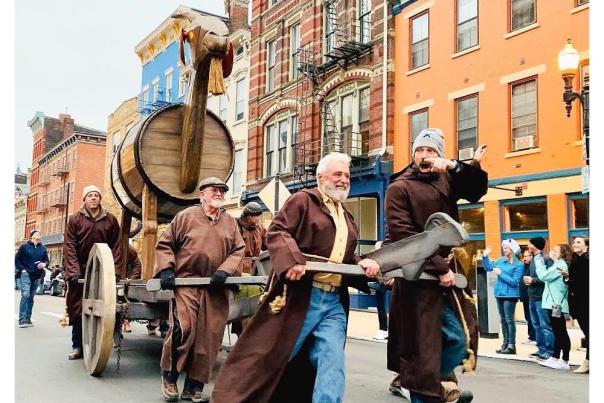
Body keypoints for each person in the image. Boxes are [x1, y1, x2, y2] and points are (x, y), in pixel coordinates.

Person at [211, 152, 380, 403]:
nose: (344, 179)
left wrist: (362, 262)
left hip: (333, 302)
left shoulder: (346, 215)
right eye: (337, 174)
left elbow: (343, 257)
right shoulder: (303, 201)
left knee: (332, 361)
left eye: (346, 175)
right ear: (321, 177)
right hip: (301, 297)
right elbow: (278, 232)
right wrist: (292, 261)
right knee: (275, 357)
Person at [385, 128, 488, 403]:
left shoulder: (447, 179)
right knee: (421, 348)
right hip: (417, 275)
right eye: (420, 150)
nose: (424, 155)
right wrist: (440, 267)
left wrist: (458, 166)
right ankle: (430, 387)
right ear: (413, 155)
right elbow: (404, 235)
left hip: (447, 276)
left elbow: (476, 190)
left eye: (430, 151)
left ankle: (435, 384)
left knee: (459, 339)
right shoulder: (399, 187)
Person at [154, 177, 245, 403]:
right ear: (202, 194)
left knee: (209, 338)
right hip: (187, 283)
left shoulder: (230, 223)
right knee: (183, 330)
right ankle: (170, 378)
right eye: (214, 190)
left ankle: (193, 388)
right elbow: (165, 244)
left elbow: (238, 250)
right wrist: (166, 269)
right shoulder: (185, 217)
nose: (219, 193)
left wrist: (224, 271)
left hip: (215, 288)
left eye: (222, 190)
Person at [63, 185, 122, 360]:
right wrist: (73, 272)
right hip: (80, 272)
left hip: (103, 271)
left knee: (106, 308)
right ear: (84, 199)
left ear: (100, 199)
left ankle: (101, 344)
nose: (94, 198)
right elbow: (70, 247)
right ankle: (77, 346)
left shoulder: (110, 220)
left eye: (96, 195)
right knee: (77, 309)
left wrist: (115, 272)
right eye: (90, 195)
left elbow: (117, 247)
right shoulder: (75, 219)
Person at [231, 201, 267, 337]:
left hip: (256, 267)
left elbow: (269, 243)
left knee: (257, 301)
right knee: (242, 304)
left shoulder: (260, 228)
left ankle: (252, 334)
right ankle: (242, 334)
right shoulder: (236, 226)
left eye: (259, 215)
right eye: (255, 216)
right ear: (247, 216)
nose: (258, 218)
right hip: (240, 268)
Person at [482, 239, 524, 354]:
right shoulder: (501, 260)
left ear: (512, 249)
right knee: (503, 320)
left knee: (509, 320)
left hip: (510, 294)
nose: (504, 250)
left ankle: (511, 345)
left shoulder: (518, 264)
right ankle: (505, 344)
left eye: (506, 248)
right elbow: (488, 268)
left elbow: (514, 282)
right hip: (499, 293)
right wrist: (485, 256)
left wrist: (500, 273)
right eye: (503, 248)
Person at [535, 244, 572, 370]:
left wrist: (539, 263)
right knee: (557, 332)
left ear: (562, 253)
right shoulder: (557, 264)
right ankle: (556, 357)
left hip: (557, 304)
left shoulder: (560, 265)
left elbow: (544, 276)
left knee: (561, 332)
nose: (553, 252)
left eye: (556, 251)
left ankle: (565, 360)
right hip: (553, 303)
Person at [523, 237, 554, 361]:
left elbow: (549, 277)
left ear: (536, 245)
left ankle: (549, 351)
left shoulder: (546, 259)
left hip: (542, 298)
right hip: (532, 297)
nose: (528, 245)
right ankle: (541, 349)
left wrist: (533, 280)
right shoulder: (533, 259)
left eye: (530, 244)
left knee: (545, 326)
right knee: (536, 325)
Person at [15, 229, 49, 328]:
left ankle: (28, 319)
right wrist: (22, 270)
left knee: (31, 297)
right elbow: (17, 259)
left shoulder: (43, 248)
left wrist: (44, 264)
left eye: (39, 233)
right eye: (36, 233)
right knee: (25, 295)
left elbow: (47, 260)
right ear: (32, 236)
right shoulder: (24, 247)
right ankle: (22, 320)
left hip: (37, 275)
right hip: (26, 274)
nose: (39, 234)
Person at [565, 236, 589, 373]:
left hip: (587, 301)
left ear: (586, 246)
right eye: (574, 242)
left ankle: (587, 362)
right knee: (587, 332)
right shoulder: (575, 260)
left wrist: (572, 281)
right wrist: (567, 279)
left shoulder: (587, 260)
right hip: (578, 302)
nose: (574, 244)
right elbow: (574, 281)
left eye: (578, 242)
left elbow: (583, 282)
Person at [121, 244, 142, 333]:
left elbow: (137, 265)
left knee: (128, 297)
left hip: (127, 277)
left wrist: (131, 279)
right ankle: (122, 323)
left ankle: (126, 322)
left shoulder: (129, 251)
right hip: (112, 276)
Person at [519, 249, 536, 345]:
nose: (525, 258)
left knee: (532, 317)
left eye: (527, 256)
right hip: (524, 296)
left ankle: (534, 336)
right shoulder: (523, 266)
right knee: (528, 317)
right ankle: (531, 335)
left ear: (532, 256)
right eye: (524, 256)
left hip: (531, 296)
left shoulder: (533, 266)